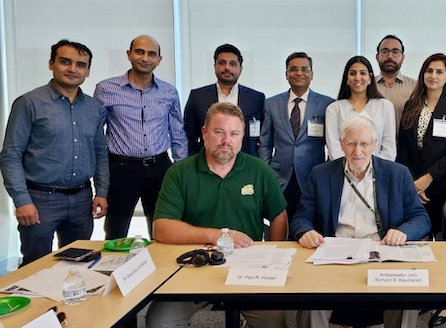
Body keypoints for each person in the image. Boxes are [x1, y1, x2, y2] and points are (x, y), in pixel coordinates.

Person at [147, 102, 288, 328]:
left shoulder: (260, 170)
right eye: (219, 132)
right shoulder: (180, 172)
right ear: (204, 133)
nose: (226, 140)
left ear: (243, 136)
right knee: (159, 321)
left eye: (234, 134)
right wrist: (218, 235)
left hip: (248, 269)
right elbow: (162, 228)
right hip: (196, 266)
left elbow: (279, 216)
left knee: (274, 322)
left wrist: (272, 259)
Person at [291, 115, 431, 328]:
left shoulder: (397, 173)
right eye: (351, 143)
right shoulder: (321, 174)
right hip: (334, 258)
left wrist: (403, 231)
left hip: (383, 255)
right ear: (341, 144)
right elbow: (301, 217)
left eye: (364, 144)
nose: (358, 151)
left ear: (374, 144)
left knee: (405, 297)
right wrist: (305, 231)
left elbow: (421, 218)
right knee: (312, 297)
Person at [0, 39, 108, 266]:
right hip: (40, 201)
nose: (72, 69)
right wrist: (21, 200)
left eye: (80, 64)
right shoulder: (29, 103)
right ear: (51, 64)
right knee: (35, 266)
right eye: (65, 62)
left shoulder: (93, 108)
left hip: (81, 200)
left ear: (87, 71)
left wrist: (102, 191)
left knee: (77, 264)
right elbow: (10, 154)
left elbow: (99, 151)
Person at [95, 34, 188, 240]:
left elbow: (178, 134)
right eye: (139, 52)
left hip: (159, 168)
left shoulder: (169, 92)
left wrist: (181, 171)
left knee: (162, 230)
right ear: (129, 55)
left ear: (159, 60)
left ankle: (161, 271)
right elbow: (95, 135)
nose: (145, 58)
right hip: (120, 169)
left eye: (151, 54)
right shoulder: (106, 89)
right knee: (115, 231)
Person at [396, 53, 446, 327]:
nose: (433, 75)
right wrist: (412, 182)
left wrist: (428, 179)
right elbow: (403, 149)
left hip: (443, 185)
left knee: (443, 244)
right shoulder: (412, 104)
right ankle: (421, 293)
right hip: (413, 187)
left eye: (439, 71)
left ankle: (445, 302)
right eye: (429, 70)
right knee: (417, 244)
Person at [259, 52, 334, 221]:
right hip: (280, 178)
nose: (299, 73)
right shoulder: (272, 104)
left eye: (304, 69)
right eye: (293, 69)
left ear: (312, 74)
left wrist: (328, 170)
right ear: (286, 74)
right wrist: (267, 171)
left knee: (313, 224)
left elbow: (332, 143)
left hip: (313, 175)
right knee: (281, 225)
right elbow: (265, 143)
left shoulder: (326, 104)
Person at [184, 44, 266, 157]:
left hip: (247, 163)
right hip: (208, 162)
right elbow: (189, 137)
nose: (227, 67)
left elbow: (262, 138)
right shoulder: (197, 97)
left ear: (240, 69)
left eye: (232, 64)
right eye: (222, 63)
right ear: (215, 66)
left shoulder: (256, 99)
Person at [326, 56, 397, 161]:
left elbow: (389, 146)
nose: (357, 78)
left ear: (370, 78)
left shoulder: (385, 106)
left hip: (378, 171)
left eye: (363, 73)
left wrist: (373, 169)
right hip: (343, 171)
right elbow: (334, 148)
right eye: (353, 73)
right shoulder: (334, 109)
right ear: (347, 78)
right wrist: (351, 168)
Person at [374, 34, 418, 130]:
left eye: (395, 52)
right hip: (372, 144)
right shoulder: (367, 85)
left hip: (405, 144)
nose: (390, 56)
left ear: (402, 58)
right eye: (385, 51)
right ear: (377, 57)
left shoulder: (415, 87)